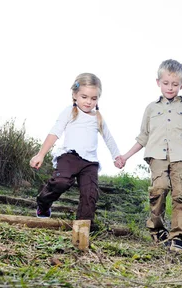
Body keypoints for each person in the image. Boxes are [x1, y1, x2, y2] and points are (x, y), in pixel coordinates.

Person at [117, 59, 182, 253]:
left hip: (181, 157)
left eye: (175, 84)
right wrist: (125, 156)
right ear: (158, 82)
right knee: (159, 189)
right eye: (166, 83)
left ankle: (178, 237)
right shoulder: (151, 108)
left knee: (181, 195)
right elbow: (143, 136)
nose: (170, 88)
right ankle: (157, 229)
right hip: (157, 156)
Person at [30, 73, 123, 226]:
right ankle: (43, 202)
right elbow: (55, 132)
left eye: (94, 99)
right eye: (84, 97)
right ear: (75, 95)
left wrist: (117, 156)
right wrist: (40, 154)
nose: (88, 102)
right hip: (69, 157)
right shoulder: (69, 112)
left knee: (90, 194)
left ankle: (83, 226)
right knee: (61, 182)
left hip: (89, 163)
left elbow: (109, 138)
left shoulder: (98, 117)